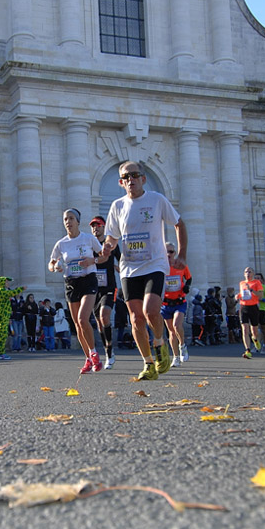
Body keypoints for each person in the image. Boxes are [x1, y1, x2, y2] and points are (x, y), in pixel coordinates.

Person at [102, 161, 188, 381]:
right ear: (121, 183)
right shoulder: (117, 206)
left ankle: (160, 343)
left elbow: (179, 223)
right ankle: (148, 363)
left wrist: (182, 255)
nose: (130, 179)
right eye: (125, 177)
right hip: (129, 269)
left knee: (151, 311)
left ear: (143, 178)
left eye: (134, 175)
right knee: (136, 319)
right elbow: (112, 236)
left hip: (155, 264)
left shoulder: (157, 200)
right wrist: (108, 245)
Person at [50, 208, 106, 374]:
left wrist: (92, 260)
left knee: (83, 319)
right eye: (65, 219)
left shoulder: (88, 239)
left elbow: (104, 256)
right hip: (71, 282)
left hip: (88, 280)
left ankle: (94, 353)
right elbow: (51, 263)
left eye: (71, 218)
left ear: (78, 221)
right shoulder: (61, 244)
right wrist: (55, 267)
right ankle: (88, 358)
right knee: (77, 325)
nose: (68, 221)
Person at [89, 215, 121, 369]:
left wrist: (120, 268)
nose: (95, 228)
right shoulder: (89, 245)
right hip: (93, 288)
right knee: (100, 324)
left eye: (98, 225)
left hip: (109, 287)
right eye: (93, 226)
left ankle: (109, 352)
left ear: (104, 227)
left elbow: (121, 260)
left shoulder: (110, 244)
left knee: (104, 316)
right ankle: (108, 351)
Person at [160, 243, 191, 366]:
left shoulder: (181, 265)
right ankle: (176, 357)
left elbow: (189, 278)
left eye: (171, 252)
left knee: (177, 325)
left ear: (175, 253)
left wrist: (187, 286)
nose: (168, 254)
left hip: (179, 302)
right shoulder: (161, 266)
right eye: (166, 252)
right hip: (166, 303)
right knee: (171, 332)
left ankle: (182, 345)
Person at [0, 276, 23, 360]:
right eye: (6, 282)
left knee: (4, 334)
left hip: (4, 315)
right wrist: (21, 288)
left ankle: (1, 352)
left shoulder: (3, 291)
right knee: (1, 333)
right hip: (0, 315)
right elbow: (11, 293)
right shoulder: (0, 291)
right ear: (2, 283)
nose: (8, 283)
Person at [237, 267, 264, 359]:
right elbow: (242, 294)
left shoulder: (256, 283)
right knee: (244, 329)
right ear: (244, 274)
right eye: (246, 272)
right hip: (244, 307)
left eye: (249, 271)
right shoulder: (241, 283)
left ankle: (255, 339)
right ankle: (247, 350)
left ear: (253, 273)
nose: (247, 273)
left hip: (253, 307)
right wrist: (238, 296)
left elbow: (260, 295)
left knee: (254, 330)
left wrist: (252, 290)